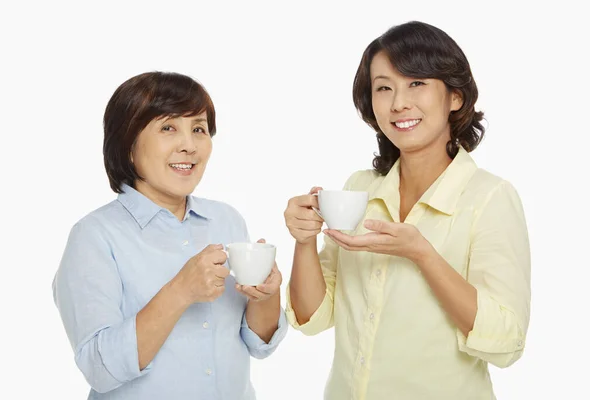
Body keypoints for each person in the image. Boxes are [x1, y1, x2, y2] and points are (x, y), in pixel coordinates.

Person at [284, 21, 530, 399]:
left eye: (416, 83)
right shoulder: (359, 189)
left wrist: (422, 254)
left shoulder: (489, 197)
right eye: (384, 87)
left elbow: (506, 341)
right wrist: (304, 241)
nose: (398, 102)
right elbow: (313, 317)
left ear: (455, 97)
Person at [53, 71, 287, 400]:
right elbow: (99, 369)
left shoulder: (226, 220)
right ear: (128, 144)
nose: (189, 146)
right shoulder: (93, 237)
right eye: (168, 128)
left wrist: (265, 296)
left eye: (199, 129)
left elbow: (257, 344)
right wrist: (181, 291)